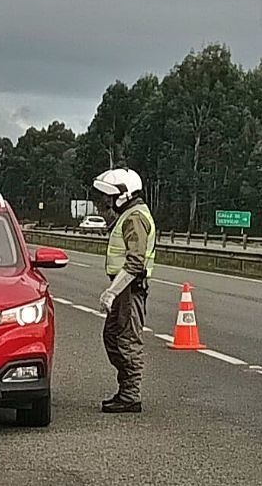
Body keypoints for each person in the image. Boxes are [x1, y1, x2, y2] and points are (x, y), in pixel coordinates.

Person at [92, 167, 156, 414]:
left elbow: (135, 262)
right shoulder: (128, 215)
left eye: (109, 197)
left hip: (130, 290)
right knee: (112, 337)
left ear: (124, 194)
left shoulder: (134, 218)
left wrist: (111, 292)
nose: (106, 202)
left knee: (127, 340)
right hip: (124, 290)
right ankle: (126, 390)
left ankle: (131, 395)